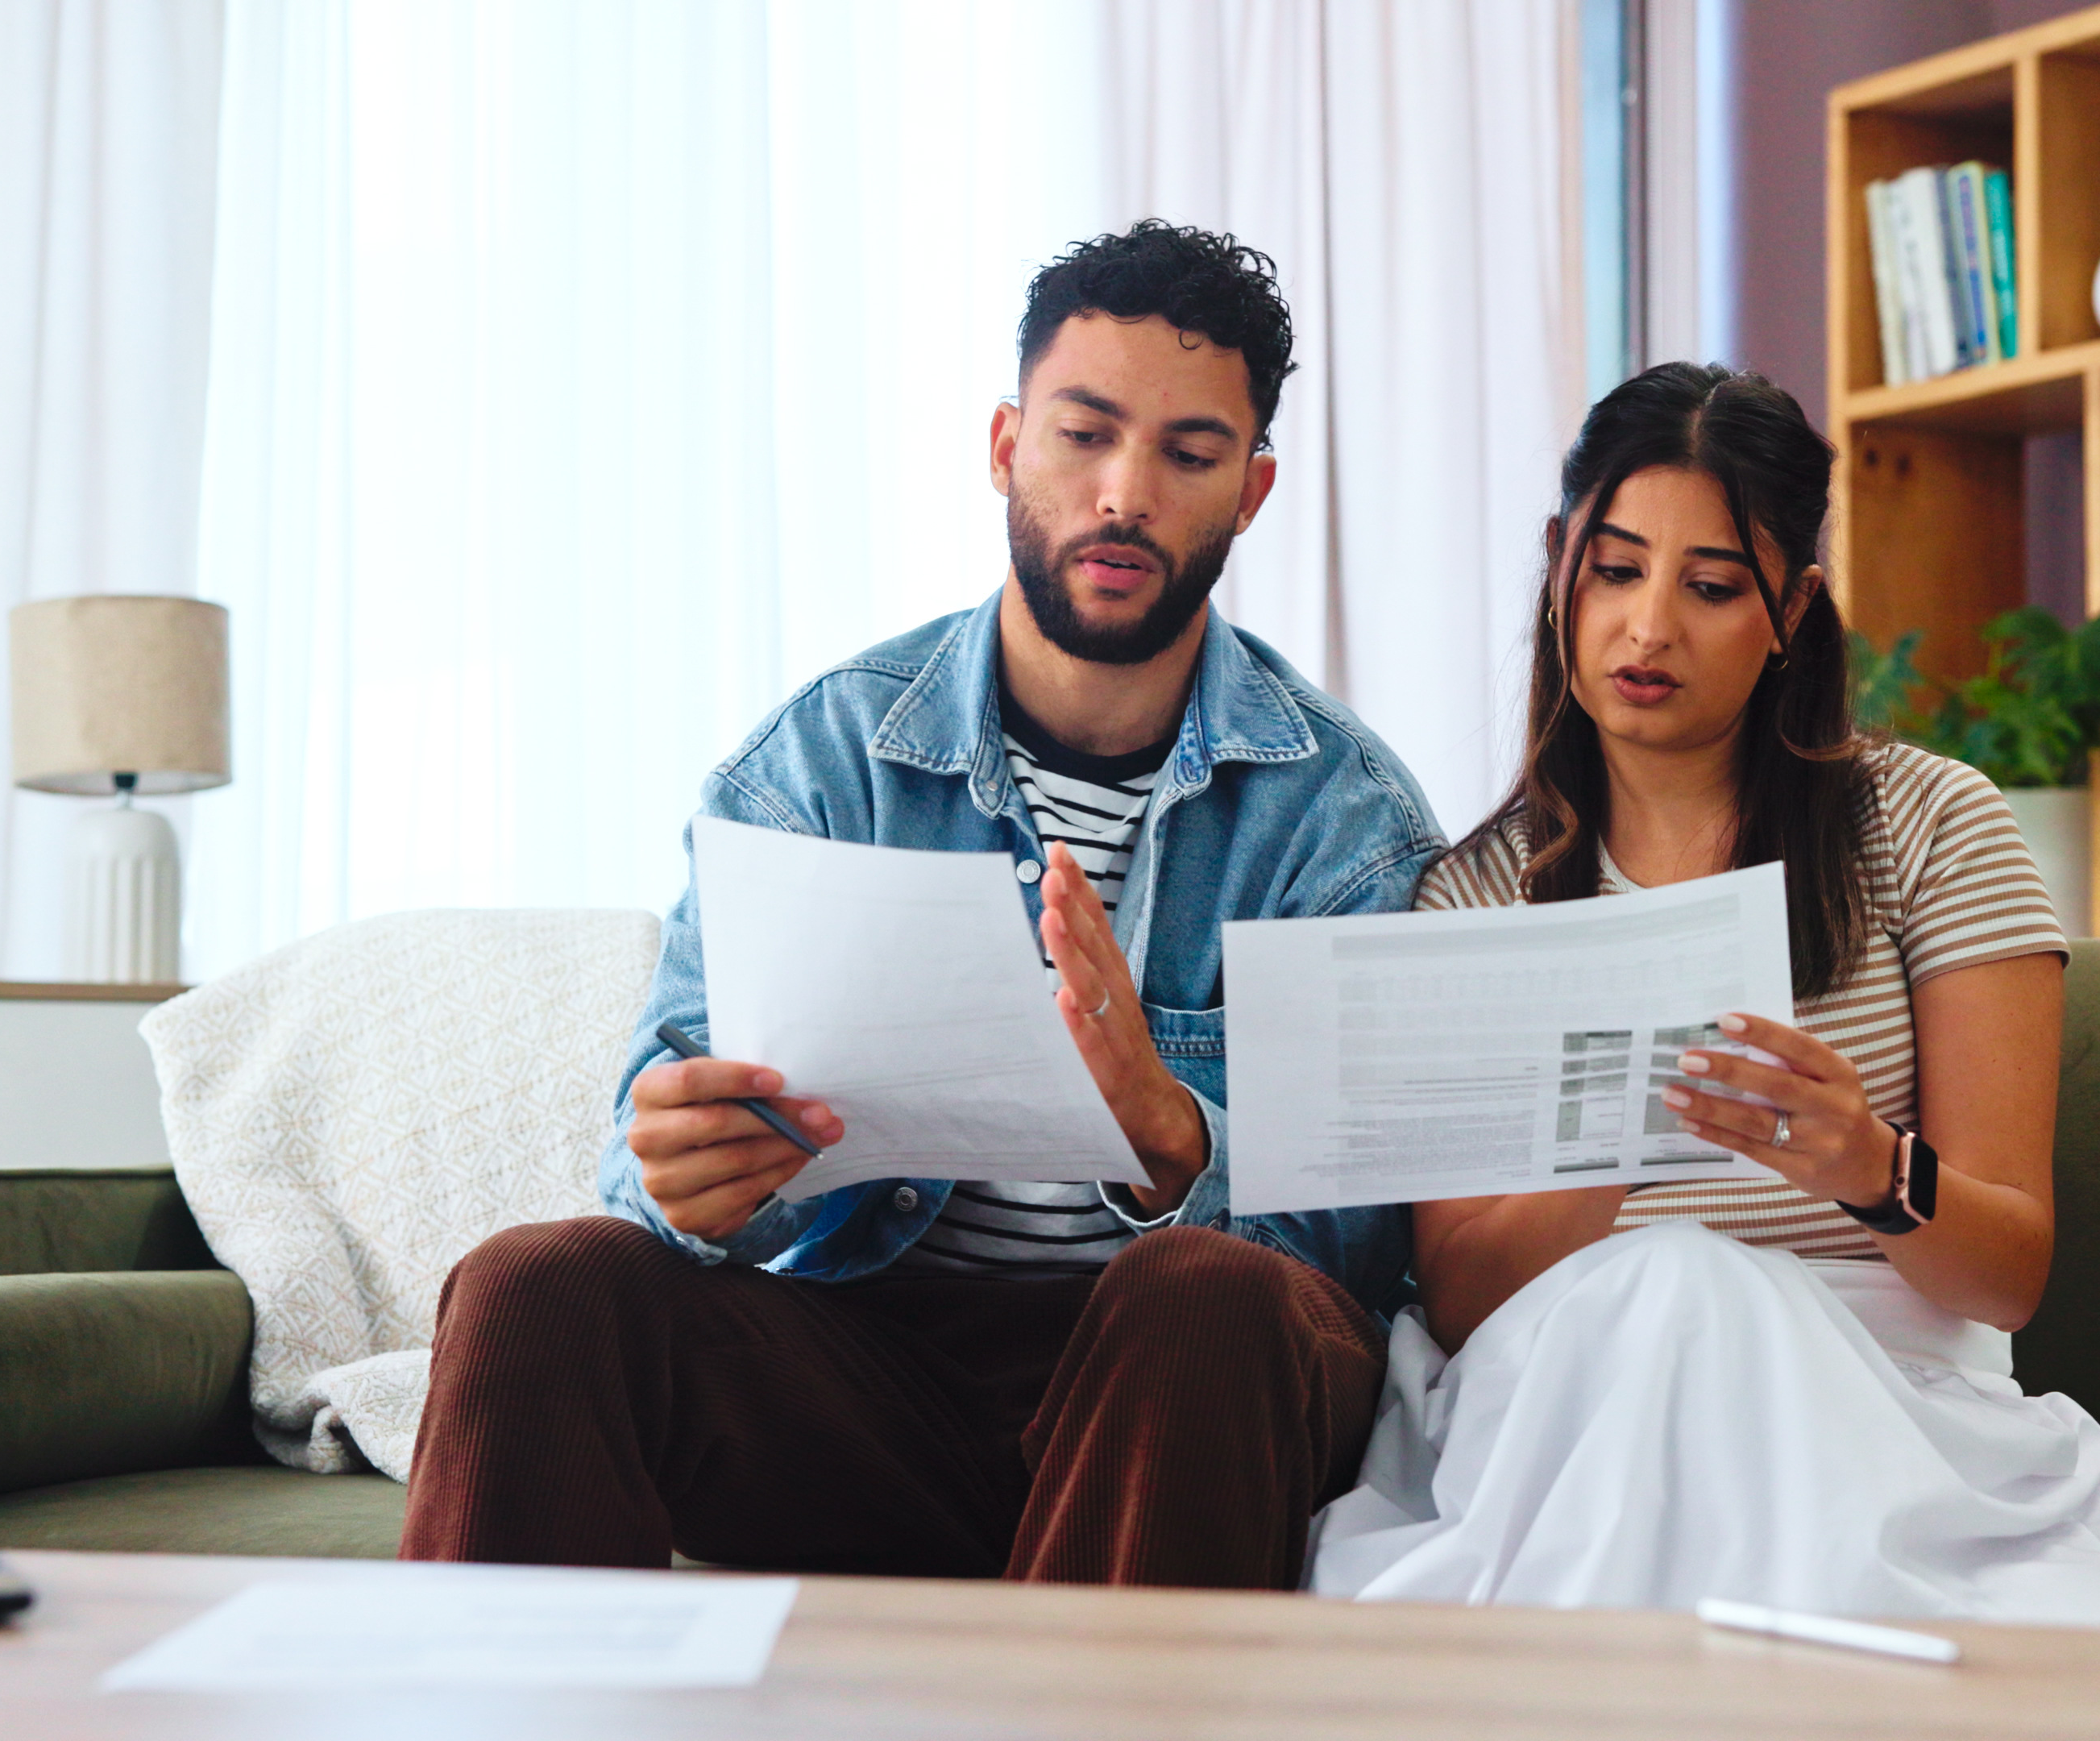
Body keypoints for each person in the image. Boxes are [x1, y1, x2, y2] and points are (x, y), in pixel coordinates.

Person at [399, 222, 1445, 1588]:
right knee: (535, 1286)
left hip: (1185, 1403)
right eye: (1085, 435)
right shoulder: (823, 761)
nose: (1124, 493)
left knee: (1204, 1301)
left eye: (1187, 455)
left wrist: (1172, 1139)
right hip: (865, 1379)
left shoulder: (1345, 820)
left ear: (1247, 494)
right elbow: (656, 1138)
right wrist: (690, 1179)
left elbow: (1370, 1250)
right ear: (1006, 447)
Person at [1305, 362, 2100, 1623]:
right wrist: (1610, 1148)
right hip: (1572, 1406)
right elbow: (1468, 1305)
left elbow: (2006, 1276)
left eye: (1710, 588)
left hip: (1875, 1402)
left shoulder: (1932, 826)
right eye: (1616, 570)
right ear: (1558, 567)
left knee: (1698, 1295)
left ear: (1791, 609)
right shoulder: (1476, 891)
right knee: (1669, 1288)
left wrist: (1864, 1161)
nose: (1648, 630)